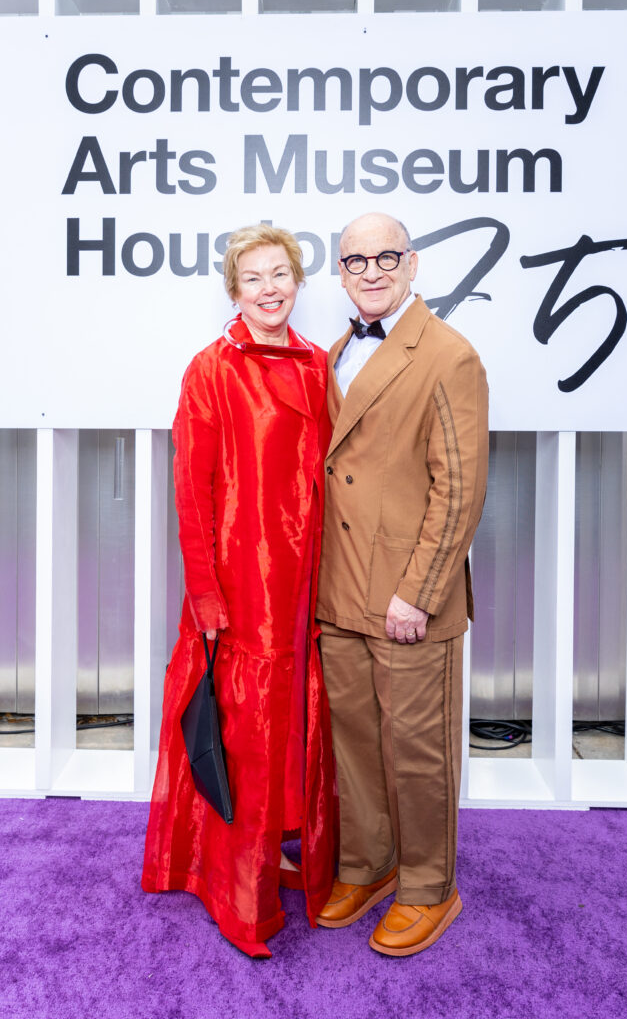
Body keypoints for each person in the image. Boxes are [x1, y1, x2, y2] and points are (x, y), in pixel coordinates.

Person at [142, 224, 336, 959]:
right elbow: (190, 491)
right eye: (252, 278)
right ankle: (236, 885)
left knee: (294, 726)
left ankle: (284, 849)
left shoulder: (319, 365)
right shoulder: (210, 369)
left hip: (304, 585)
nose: (268, 288)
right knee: (242, 737)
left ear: (298, 281)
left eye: (280, 273)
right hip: (241, 585)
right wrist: (206, 597)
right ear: (233, 290)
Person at [315, 212, 488, 956]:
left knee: (416, 749)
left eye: (387, 256)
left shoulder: (448, 355)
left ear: (412, 264)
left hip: (406, 596)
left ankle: (427, 885)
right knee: (353, 744)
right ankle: (368, 863)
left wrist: (417, 591)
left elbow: (460, 489)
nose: (372, 270)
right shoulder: (332, 352)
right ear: (342, 273)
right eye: (356, 260)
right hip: (338, 590)